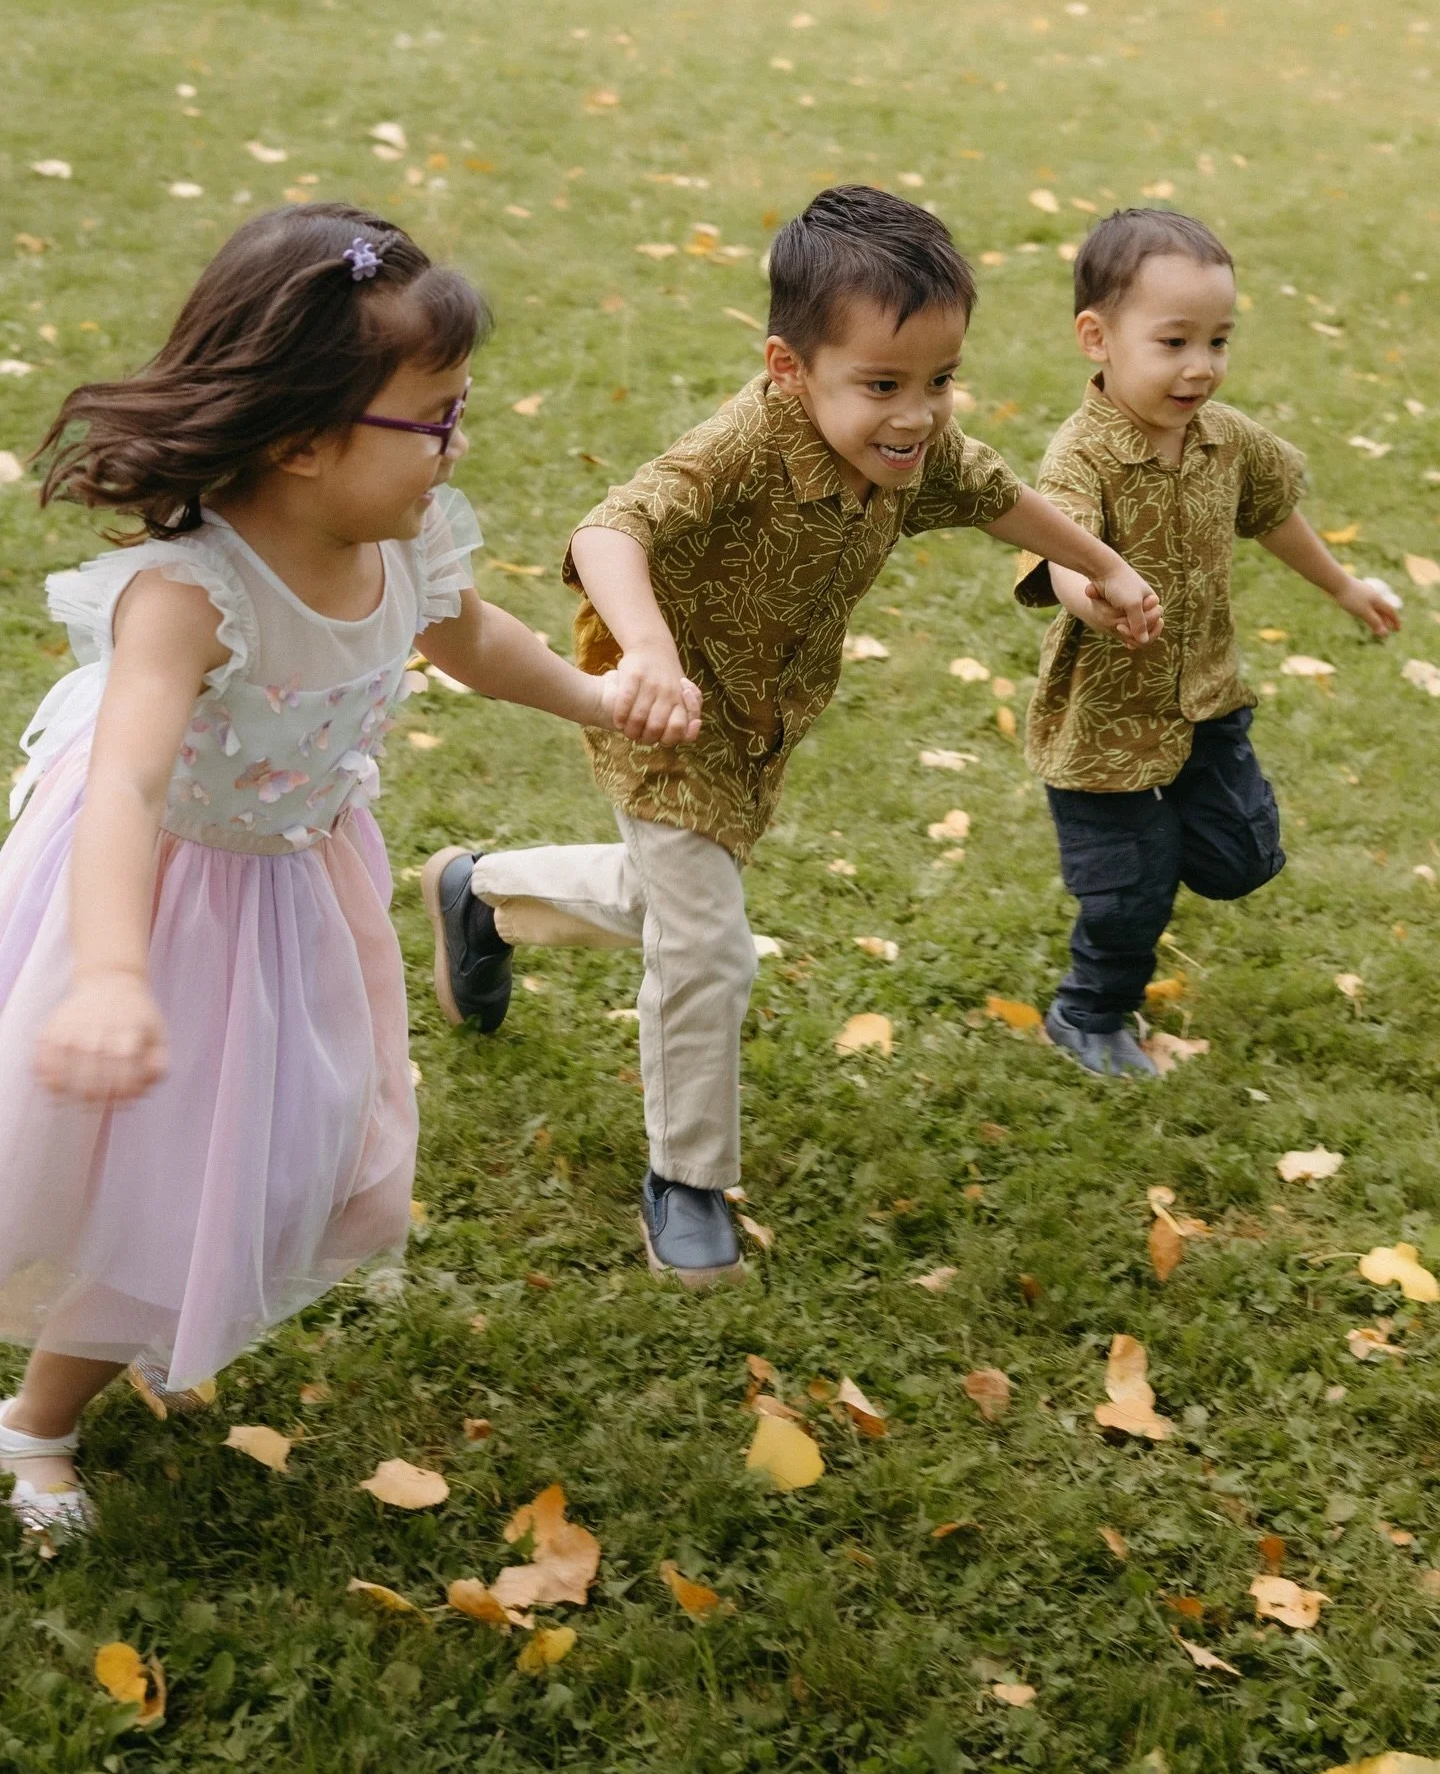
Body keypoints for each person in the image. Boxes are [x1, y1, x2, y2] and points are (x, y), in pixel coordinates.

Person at [0, 204, 643, 1539]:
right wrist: (112, 974)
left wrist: (597, 697)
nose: (458, 445)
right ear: (298, 439)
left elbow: (474, 643)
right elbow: (123, 780)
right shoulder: (190, 591)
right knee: (125, 1166)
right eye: (437, 418)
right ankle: (38, 1418)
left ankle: (114, 1330)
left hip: (291, 886)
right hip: (156, 895)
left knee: (278, 1147)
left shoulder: (406, 537)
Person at [423, 185, 1161, 1287]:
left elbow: (1003, 495)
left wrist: (1099, 566)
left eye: (938, 380)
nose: (915, 414)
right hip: (658, 707)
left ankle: (480, 895)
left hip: (759, 725)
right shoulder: (741, 444)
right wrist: (648, 653)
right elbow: (610, 528)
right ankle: (686, 1176)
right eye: (881, 385)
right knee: (708, 946)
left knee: (667, 903)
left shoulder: (915, 447)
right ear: (787, 367)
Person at [1015, 207, 1401, 1078]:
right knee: (1129, 894)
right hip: (1104, 728)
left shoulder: (1228, 440)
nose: (1201, 366)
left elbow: (1275, 515)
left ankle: (1166, 845)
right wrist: (1095, 595)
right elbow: (1061, 551)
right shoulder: (1081, 456)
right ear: (1097, 338)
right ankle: (1089, 1010)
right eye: (1175, 341)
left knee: (1242, 859)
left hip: (1206, 705)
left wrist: (1344, 586)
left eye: (1219, 341)